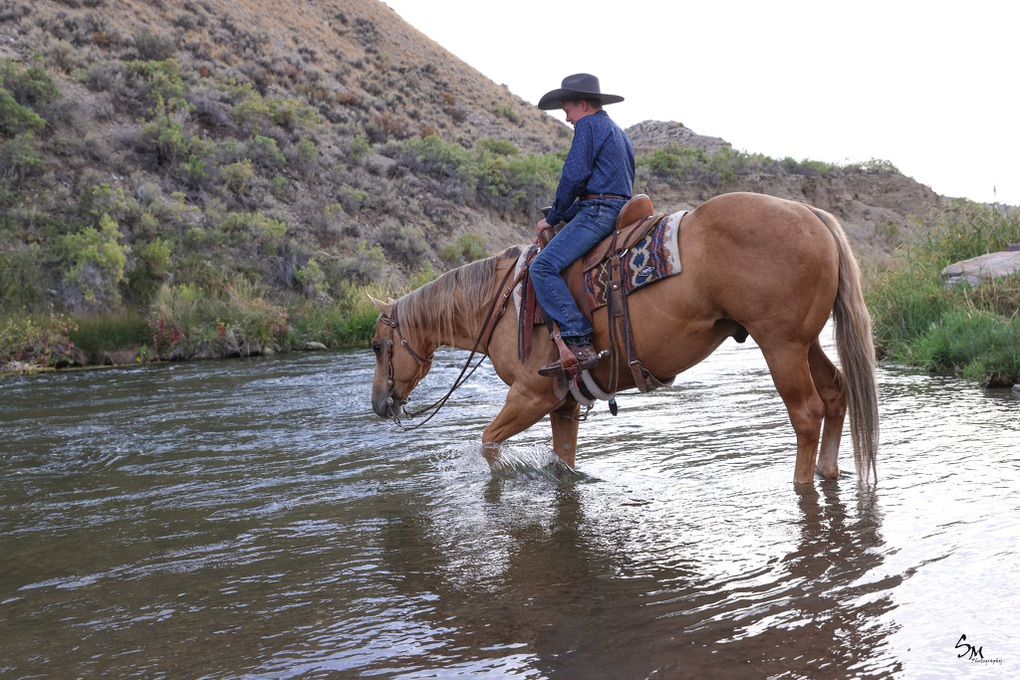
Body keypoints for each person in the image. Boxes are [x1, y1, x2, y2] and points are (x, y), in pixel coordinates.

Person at [531, 73, 635, 377]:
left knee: (543, 268)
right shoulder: (617, 131)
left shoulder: (589, 126)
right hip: (615, 207)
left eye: (568, 110)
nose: (567, 118)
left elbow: (574, 176)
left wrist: (551, 219)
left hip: (598, 211)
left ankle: (578, 340)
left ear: (583, 105)